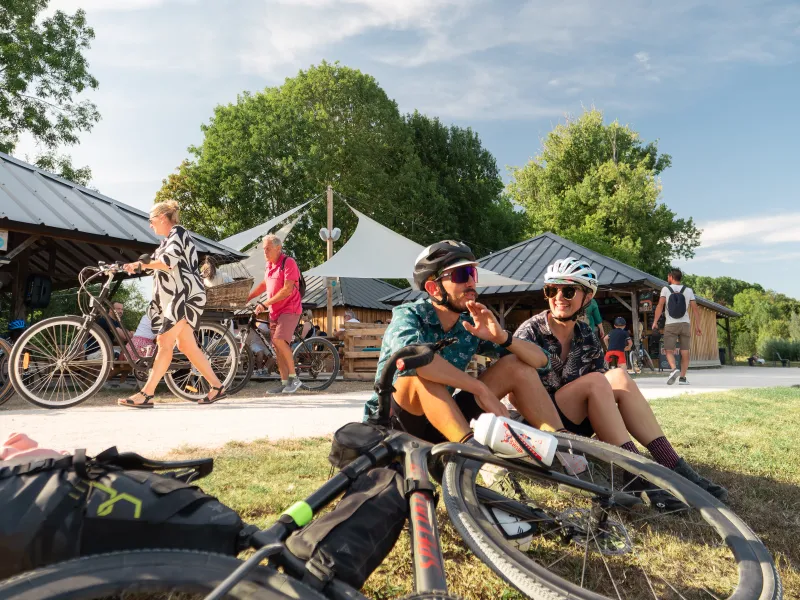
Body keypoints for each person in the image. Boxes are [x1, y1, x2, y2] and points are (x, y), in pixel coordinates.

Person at [514, 257, 728, 505]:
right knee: (597, 380)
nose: (559, 296)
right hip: (540, 423)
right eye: (552, 289)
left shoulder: (586, 335)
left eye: (569, 290)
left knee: (618, 376)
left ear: (587, 298)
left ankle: (674, 467)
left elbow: (605, 388)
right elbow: (516, 391)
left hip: (574, 423)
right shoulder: (529, 332)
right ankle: (637, 474)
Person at [363, 240, 565, 444]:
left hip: (444, 422)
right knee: (420, 374)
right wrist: (480, 389)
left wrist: (502, 337)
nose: (470, 282)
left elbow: (542, 361)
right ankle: (469, 457)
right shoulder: (408, 316)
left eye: (472, 274)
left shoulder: (469, 325)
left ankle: (568, 452)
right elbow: (414, 359)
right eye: (460, 275)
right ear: (433, 288)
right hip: (394, 425)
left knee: (516, 366)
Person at [118, 200, 226, 408]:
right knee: (186, 345)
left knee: (164, 341)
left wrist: (141, 264)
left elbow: (168, 262)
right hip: (175, 298)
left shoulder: (179, 232)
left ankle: (146, 394)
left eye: (151, 220)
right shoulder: (166, 241)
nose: (150, 225)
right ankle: (217, 387)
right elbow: (161, 266)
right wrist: (136, 267)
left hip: (184, 296)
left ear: (161, 218)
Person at [246, 234, 303, 394]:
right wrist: (249, 296)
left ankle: (295, 379)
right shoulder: (269, 265)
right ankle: (285, 383)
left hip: (289, 309)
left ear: (278, 248)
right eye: (264, 249)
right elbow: (265, 284)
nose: (265, 252)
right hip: (275, 311)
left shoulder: (288, 262)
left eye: (268, 249)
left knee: (278, 340)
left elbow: (287, 289)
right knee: (277, 347)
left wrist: (264, 304)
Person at [651, 268, 701, 385]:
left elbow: (660, 306)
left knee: (668, 350)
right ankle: (683, 378)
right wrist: (698, 326)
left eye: (668, 277)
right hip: (685, 324)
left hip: (671, 324)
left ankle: (674, 369)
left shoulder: (665, 289)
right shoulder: (688, 290)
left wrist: (655, 321)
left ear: (671, 277)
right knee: (685, 351)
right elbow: (695, 310)